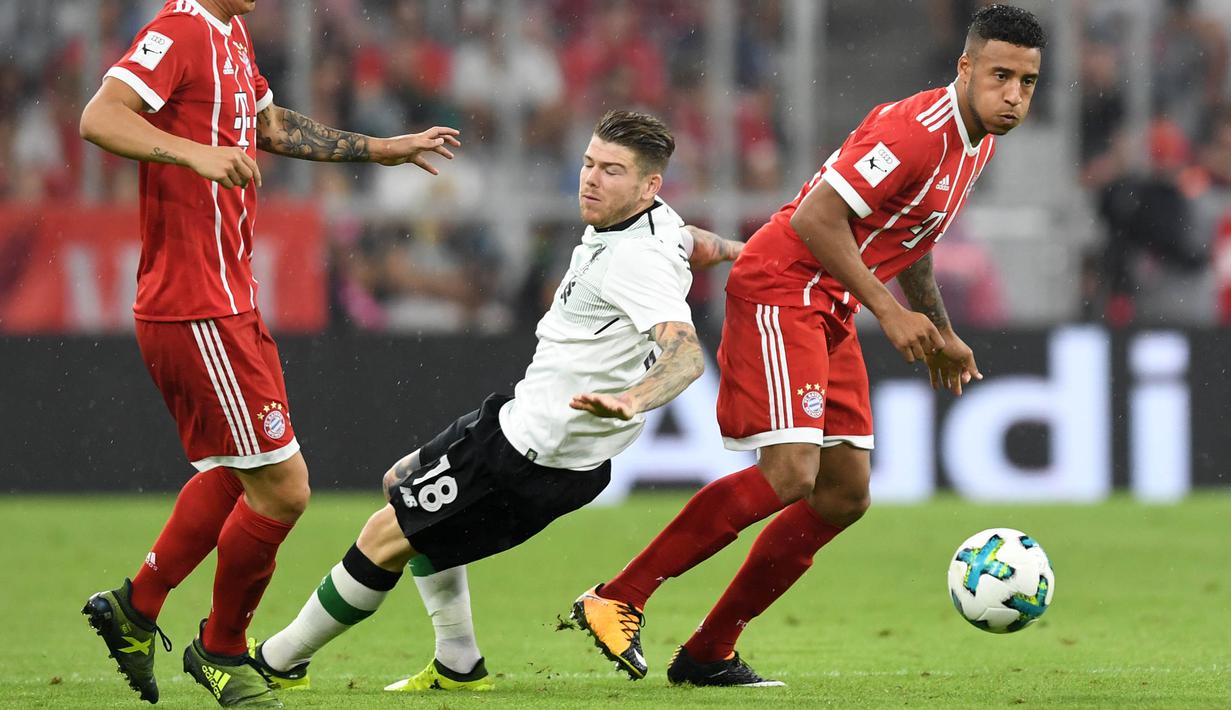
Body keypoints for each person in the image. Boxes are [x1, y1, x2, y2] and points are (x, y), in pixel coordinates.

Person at [573, 3, 1045, 687]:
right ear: (964, 67)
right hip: (782, 284)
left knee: (843, 494)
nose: (1012, 95)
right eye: (999, 75)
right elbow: (821, 217)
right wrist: (888, 312)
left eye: (1027, 82)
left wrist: (938, 328)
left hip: (829, 302)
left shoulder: (978, 143)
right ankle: (619, 595)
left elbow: (912, 238)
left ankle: (709, 651)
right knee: (790, 472)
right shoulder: (916, 131)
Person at [245, 110, 743, 695]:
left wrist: (633, 399)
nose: (590, 179)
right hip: (527, 423)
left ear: (648, 185)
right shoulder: (655, 224)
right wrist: (753, 250)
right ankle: (458, 662)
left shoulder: (637, 262)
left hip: (529, 452)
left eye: (612, 171)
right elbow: (695, 245)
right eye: (589, 163)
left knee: (385, 537)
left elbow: (685, 356)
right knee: (401, 480)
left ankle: (278, 662)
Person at [77, 0, 459, 706]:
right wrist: (194, 153)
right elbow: (99, 116)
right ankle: (220, 650)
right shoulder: (180, 29)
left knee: (236, 471)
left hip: (227, 299)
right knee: (283, 488)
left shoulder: (230, 32)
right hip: (196, 305)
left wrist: (383, 148)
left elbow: (269, 125)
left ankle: (137, 606)